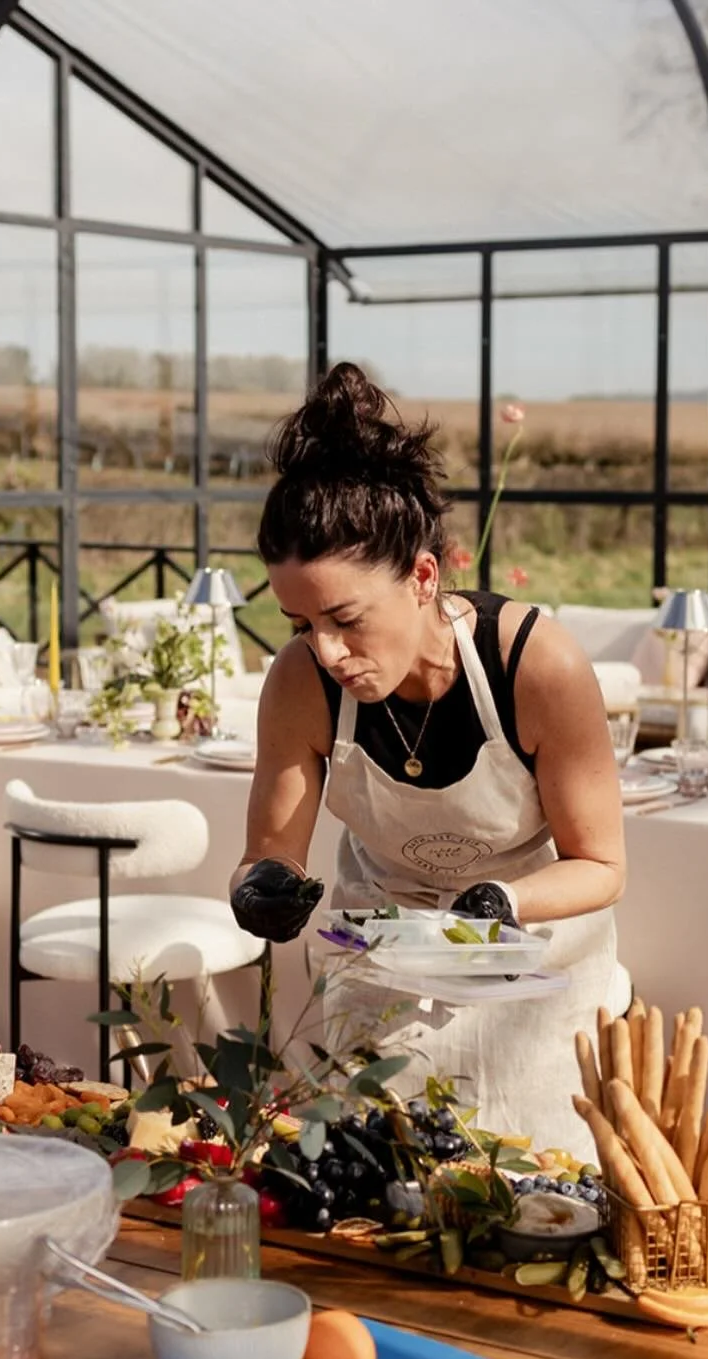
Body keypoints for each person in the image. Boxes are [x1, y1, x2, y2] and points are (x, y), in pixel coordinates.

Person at [230, 362, 629, 1153]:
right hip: (383, 978)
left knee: (538, 1195)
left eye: (345, 617)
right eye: (300, 622)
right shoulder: (300, 684)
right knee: (378, 1199)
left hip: (534, 977)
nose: (328, 650)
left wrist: (499, 902)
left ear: (421, 576)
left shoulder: (536, 666)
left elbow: (600, 865)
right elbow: (265, 856)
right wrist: (259, 893)